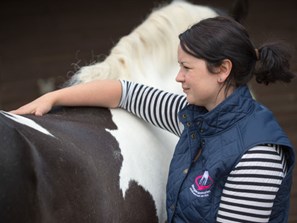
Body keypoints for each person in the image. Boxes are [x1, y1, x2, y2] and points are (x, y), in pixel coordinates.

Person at [11, 16, 295, 223]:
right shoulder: (195, 118)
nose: (178, 77)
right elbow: (124, 92)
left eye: (186, 67)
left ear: (222, 69)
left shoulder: (258, 155)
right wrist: (52, 99)